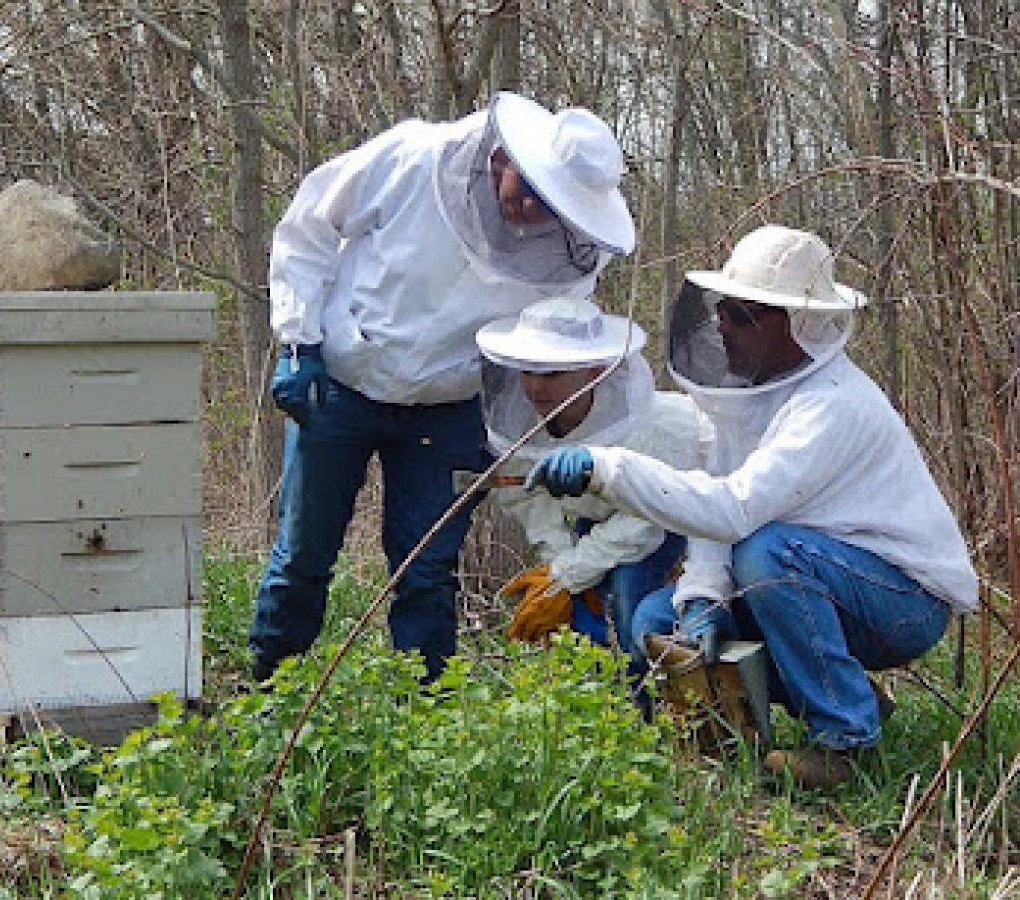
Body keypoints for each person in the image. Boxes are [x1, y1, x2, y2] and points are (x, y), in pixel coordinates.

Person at [524, 224, 978, 787]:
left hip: (905, 603)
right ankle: (817, 708)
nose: (722, 325)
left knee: (767, 554)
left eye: (741, 315)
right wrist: (703, 596)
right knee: (658, 619)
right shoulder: (749, 401)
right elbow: (716, 513)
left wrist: (609, 470)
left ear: (796, 324)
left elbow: (732, 511)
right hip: (824, 580)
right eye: (722, 309)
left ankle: (844, 742)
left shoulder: (831, 405)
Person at [249, 92, 636, 683]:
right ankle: (270, 691)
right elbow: (309, 227)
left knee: (426, 571)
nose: (531, 208)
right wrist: (299, 343)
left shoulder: (573, 253)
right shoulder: (412, 157)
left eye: (552, 203)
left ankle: (425, 708)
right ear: (502, 157)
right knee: (303, 555)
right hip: (340, 385)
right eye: (529, 188)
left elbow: (546, 348)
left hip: (451, 409)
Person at [474, 295, 706, 679]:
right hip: (604, 519)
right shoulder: (519, 425)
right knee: (583, 603)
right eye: (527, 372)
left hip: (679, 520)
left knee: (629, 595)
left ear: (595, 371)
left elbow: (645, 522)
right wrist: (559, 573)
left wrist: (568, 572)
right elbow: (528, 499)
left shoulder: (659, 425)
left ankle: (645, 698)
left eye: (552, 374)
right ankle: (596, 696)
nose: (535, 387)